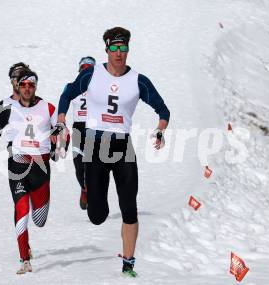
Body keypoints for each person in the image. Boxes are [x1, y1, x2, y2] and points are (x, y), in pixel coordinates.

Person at [56, 27, 170, 277]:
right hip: (96, 147)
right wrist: (62, 120)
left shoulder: (139, 80)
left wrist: (160, 130)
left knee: (129, 207)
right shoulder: (91, 76)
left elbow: (163, 110)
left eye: (124, 48)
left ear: (128, 49)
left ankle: (128, 263)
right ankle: (95, 198)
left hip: (122, 147)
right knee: (97, 215)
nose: (119, 53)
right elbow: (66, 95)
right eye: (115, 48)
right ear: (106, 50)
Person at [0, 69, 68, 274]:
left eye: (31, 85)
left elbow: (62, 134)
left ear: (36, 87)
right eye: (23, 85)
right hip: (18, 166)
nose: (27, 89)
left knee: (39, 220)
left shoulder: (47, 107)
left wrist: (60, 140)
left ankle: (34, 206)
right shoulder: (8, 109)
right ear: (17, 87)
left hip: (41, 167)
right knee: (21, 210)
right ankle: (24, 259)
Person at [66, 56, 96, 210]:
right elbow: (63, 101)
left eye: (89, 69)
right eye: (83, 68)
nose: (85, 71)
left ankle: (95, 193)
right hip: (78, 128)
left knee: (94, 165)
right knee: (79, 165)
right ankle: (84, 189)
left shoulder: (99, 88)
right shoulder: (72, 87)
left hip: (94, 128)